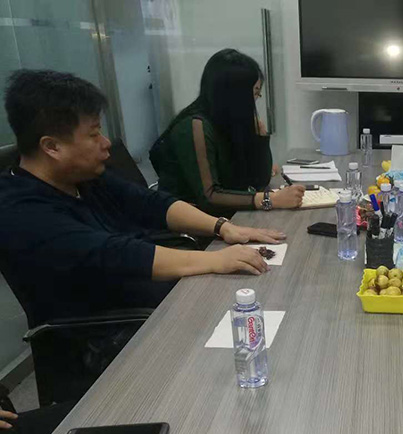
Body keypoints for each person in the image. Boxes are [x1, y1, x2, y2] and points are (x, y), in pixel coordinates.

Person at [0, 69, 283, 330]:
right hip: (116, 334)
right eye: (94, 134)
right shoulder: (21, 213)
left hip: (161, 298)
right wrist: (214, 260)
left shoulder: (82, 177)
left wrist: (223, 227)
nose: (106, 143)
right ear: (52, 147)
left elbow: (150, 203)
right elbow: (116, 253)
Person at [150, 49, 304, 218]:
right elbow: (209, 197)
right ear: (234, 94)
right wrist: (270, 199)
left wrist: (259, 136)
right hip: (193, 225)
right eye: (254, 93)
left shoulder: (227, 123)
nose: (255, 101)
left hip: (225, 218)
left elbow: (259, 181)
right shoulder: (195, 126)